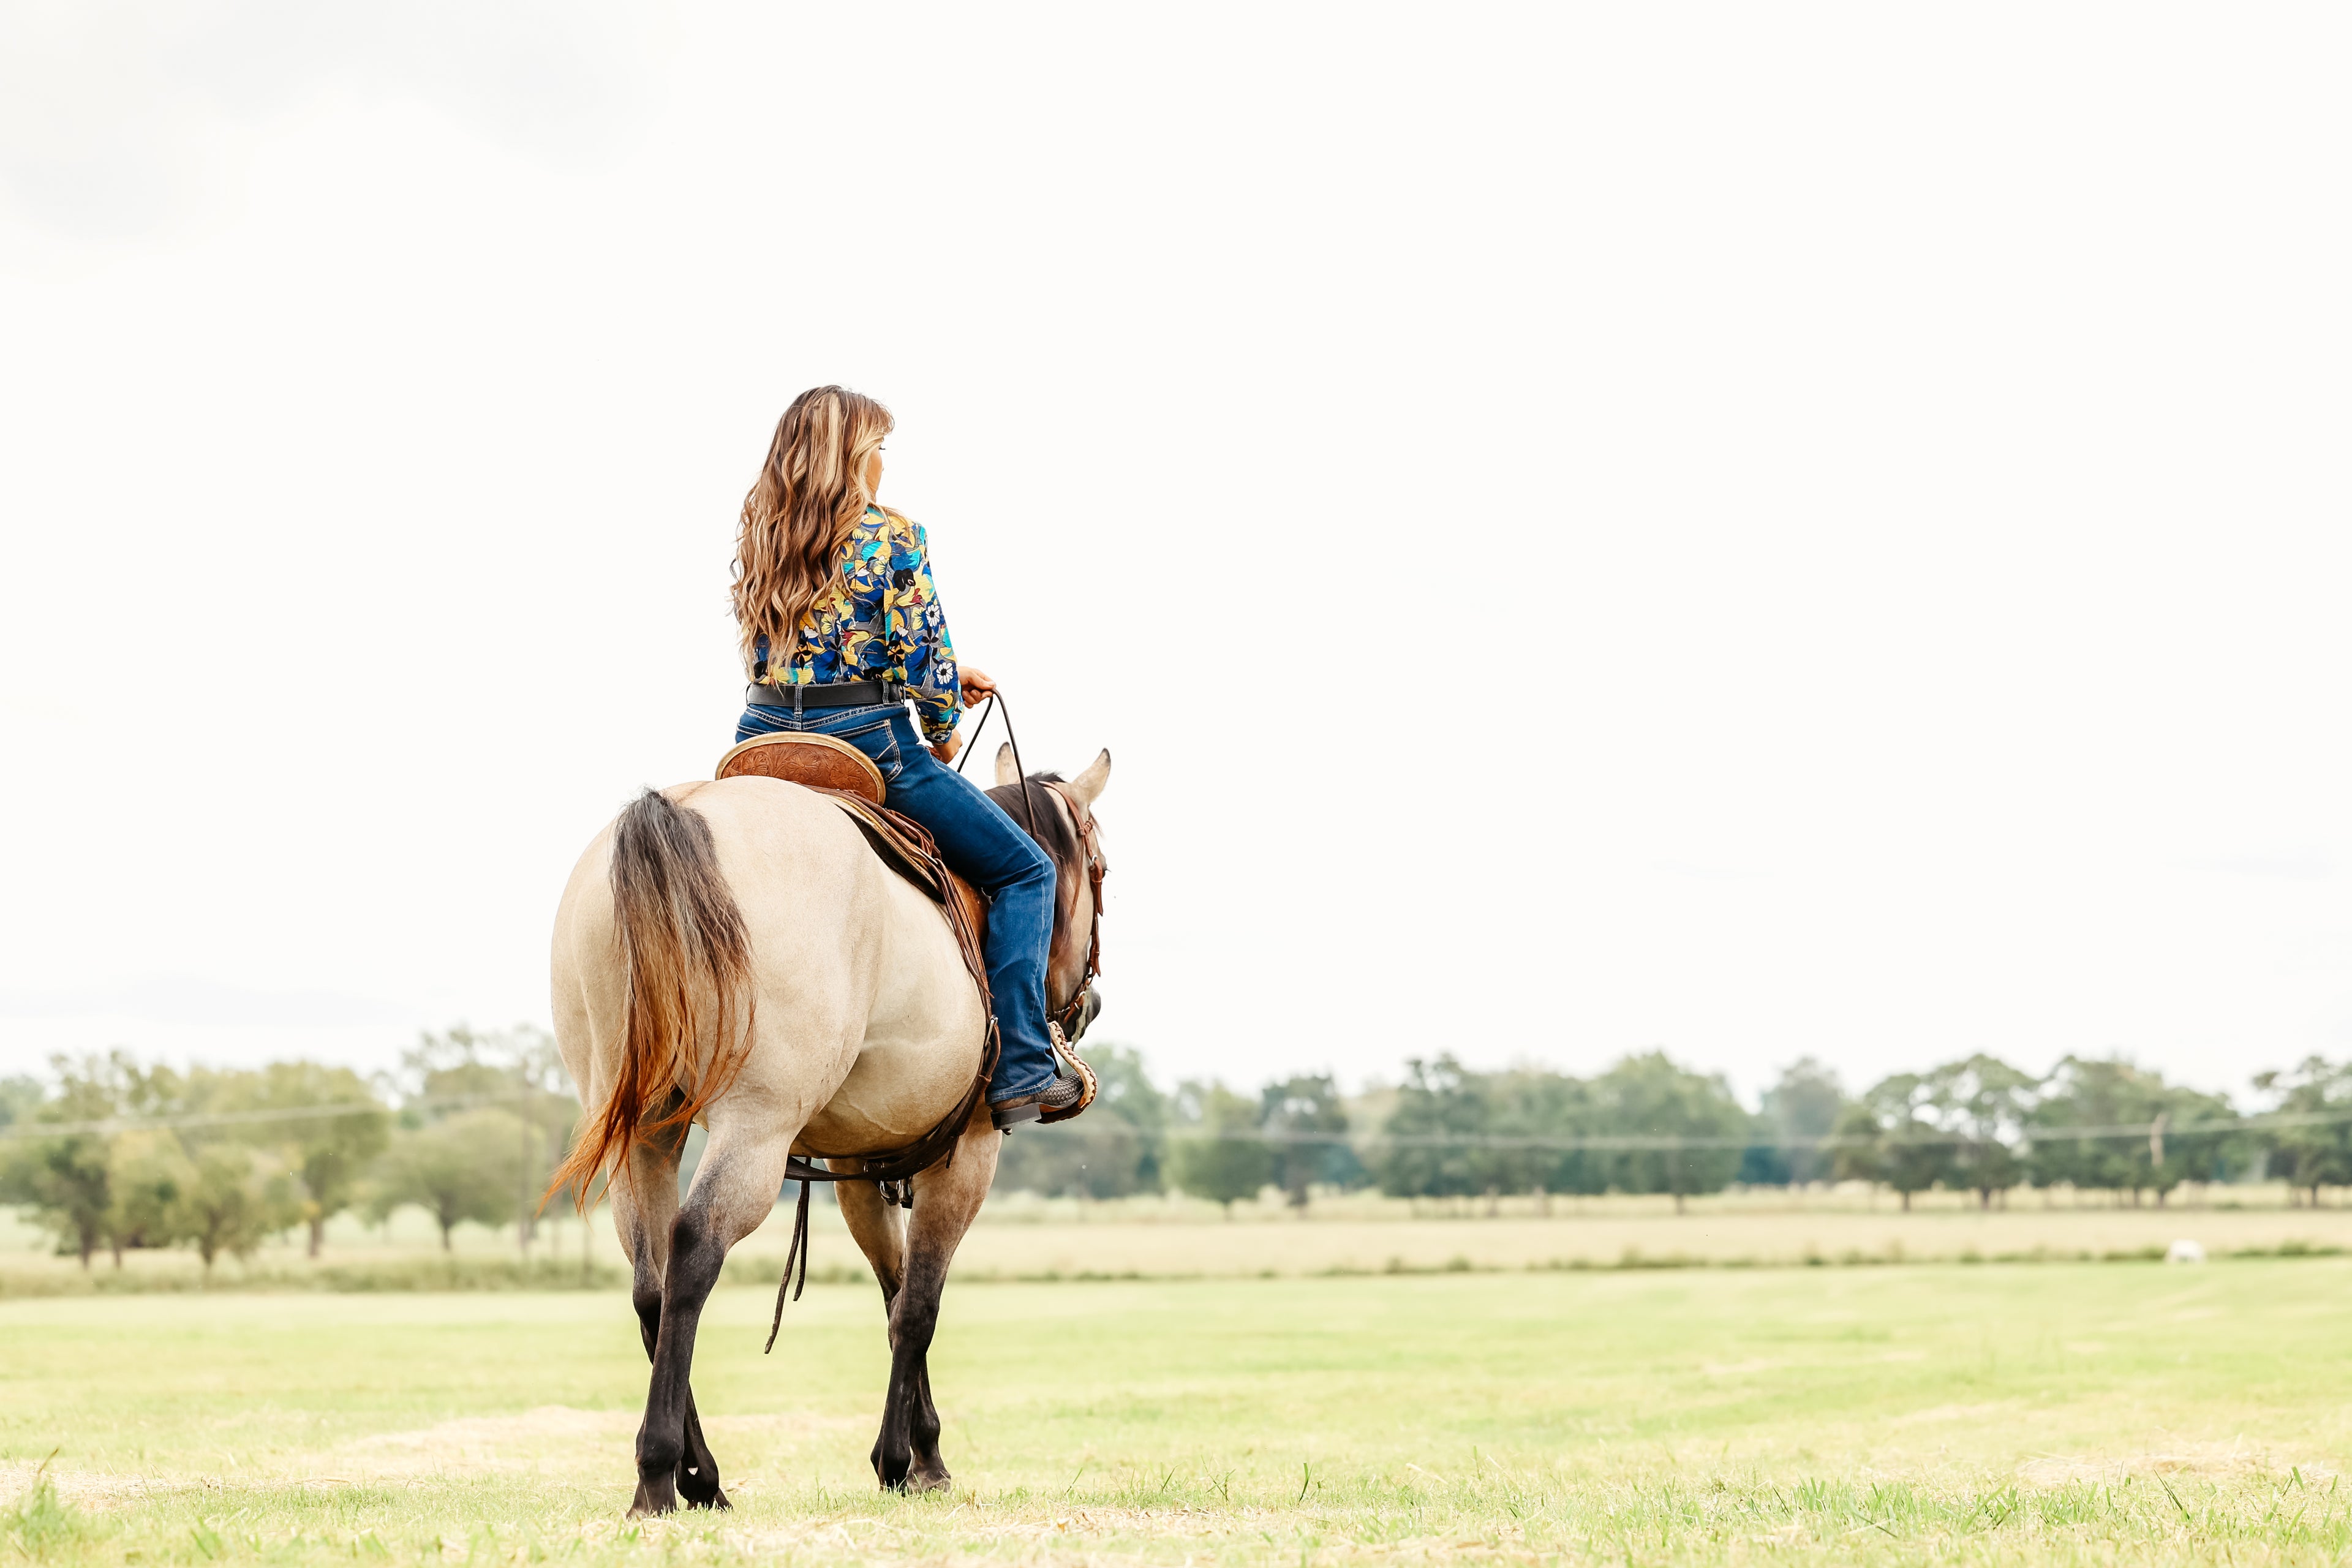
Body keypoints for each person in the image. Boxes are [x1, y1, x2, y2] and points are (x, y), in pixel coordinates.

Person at [728, 385, 1084, 1128]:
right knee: (1028, 868)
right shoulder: (894, 536)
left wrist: (954, 673)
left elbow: (808, 647)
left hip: (762, 741)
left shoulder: (760, 527)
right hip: (868, 745)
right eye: (879, 448)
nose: (884, 463)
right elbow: (919, 657)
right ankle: (1022, 1063)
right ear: (854, 456)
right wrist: (946, 720)